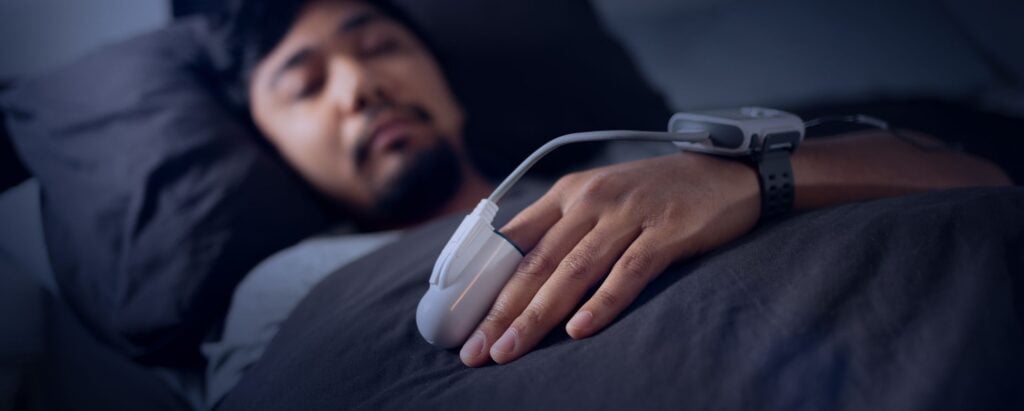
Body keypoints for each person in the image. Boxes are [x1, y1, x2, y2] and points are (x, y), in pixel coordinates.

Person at [203, 0, 1011, 405]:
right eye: (305, 84)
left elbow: (982, 183)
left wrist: (735, 180)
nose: (360, 86)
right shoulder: (286, 285)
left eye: (379, 46)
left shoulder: (634, 156)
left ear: (445, 85)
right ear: (271, 146)